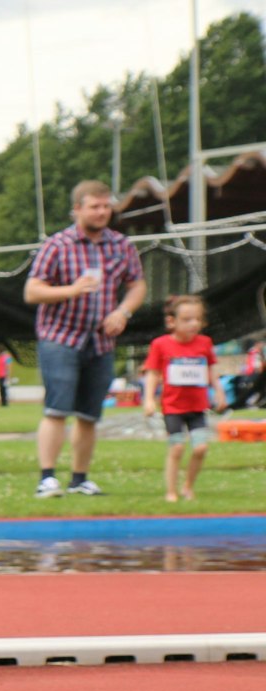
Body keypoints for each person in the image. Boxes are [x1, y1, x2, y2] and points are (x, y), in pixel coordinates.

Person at [24, 181, 147, 497]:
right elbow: (32, 291)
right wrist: (71, 290)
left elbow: (137, 285)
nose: (102, 212)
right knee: (56, 409)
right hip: (60, 338)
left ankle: (80, 479)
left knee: (90, 415)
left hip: (101, 342)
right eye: (95, 206)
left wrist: (123, 312)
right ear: (77, 209)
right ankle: (47, 479)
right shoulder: (57, 245)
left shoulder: (121, 244)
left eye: (106, 206)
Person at [141, 294, 227, 502]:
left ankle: (188, 486)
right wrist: (149, 399)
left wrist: (219, 391)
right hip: (173, 407)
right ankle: (171, 491)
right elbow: (152, 373)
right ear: (172, 322)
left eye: (198, 319)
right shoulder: (161, 345)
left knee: (200, 448)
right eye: (187, 320)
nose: (194, 324)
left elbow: (211, 369)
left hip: (197, 406)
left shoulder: (205, 343)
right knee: (177, 447)